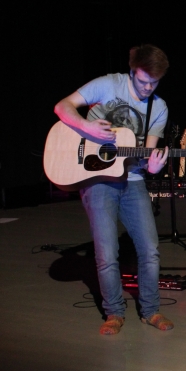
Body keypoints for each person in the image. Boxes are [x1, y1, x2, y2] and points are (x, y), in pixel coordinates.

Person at [54, 44, 174, 335]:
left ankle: (151, 310)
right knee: (107, 253)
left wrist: (152, 168)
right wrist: (87, 127)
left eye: (154, 83)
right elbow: (62, 107)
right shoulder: (108, 84)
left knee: (150, 249)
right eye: (143, 81)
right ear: (132, 71)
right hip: (97, 179)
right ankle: (114, 313)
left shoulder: (158, 108)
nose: (147, 88)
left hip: (132, 180)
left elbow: (147, 155)